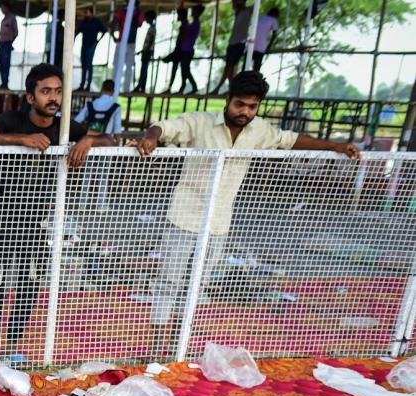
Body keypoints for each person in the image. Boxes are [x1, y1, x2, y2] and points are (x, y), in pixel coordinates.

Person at [133, 71, 359, 355]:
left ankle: (178, 345)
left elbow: (290, 140)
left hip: (218, 224)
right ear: (227, 99)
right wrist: (151, 137)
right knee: (168, 281)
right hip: (184, 218)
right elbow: (164, 127)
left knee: (197, 285)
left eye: (252, 106)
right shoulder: (201, 122)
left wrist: (335, 146)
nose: (245, 112)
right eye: (240, 104)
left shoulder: (260, 130)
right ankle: (156, 347)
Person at [0, 63, 113, 358]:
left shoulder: (66, 127)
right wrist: (20, 140)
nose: (53, 98)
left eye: (58, 91)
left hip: (39, 223)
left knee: (29, 285)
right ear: (31, 97)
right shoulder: (14, 119)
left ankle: (11, 349)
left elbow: (110, 139)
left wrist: (85, 140)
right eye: (45, 91)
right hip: (2, 221)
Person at [211, 0, 252, 94]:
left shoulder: (248, 10)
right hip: (232, 43)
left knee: (229, 67)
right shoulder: (238, 12)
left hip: (239, 43)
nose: (234, 4)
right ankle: (230, 89)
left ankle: (225, 89)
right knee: (228, 67)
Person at [165, 3, 203, 94]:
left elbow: (185, 36)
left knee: (184, 70)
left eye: (194, 11)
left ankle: (189, 87)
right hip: (184, 49)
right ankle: (186, 87)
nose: (192, 12)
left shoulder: (194, 24)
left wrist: (181, 38)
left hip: (186, 50)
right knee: (184, 70)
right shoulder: (192, 23)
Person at [111, 4, 143, 91]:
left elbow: (139, 24)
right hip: (124, 42)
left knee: (122, 66)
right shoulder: (127, 12)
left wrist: (113, 35)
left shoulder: (130, 12)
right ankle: (122, 88)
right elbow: (114, 22)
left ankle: (122, 88)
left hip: (127, 42)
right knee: (122, 66)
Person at [76, 7, 108, 91]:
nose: (85, 14)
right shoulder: (84, 22)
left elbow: (105, 30)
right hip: (84, 45)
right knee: (84, 65)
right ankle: (82, 85)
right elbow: (77, 31)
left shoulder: (96, 21)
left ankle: (87, 85)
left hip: (91, 46)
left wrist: (97, 41)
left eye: (86, 12)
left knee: (89, 65)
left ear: (91, 13)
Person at [135, 10, 158, 92]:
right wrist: (142, 51)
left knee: (144, 70)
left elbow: (151, 41)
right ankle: (142, 87)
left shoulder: (152, 28)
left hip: (147, 52)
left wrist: (146, 51)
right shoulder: (151, 27)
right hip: (146, 51)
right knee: (144, 70)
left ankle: (140, 86)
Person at [0, 2, 19, 89]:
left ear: (7, 7)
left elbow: (16, 32)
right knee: (0, 63)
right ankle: (3, 82)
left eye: (3, 7)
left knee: (5, 63)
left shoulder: (12, 18)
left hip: (7, 43)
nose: (2, 9)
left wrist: (10, 41)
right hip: (1, 43)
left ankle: (5, 83)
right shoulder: (4, 18)